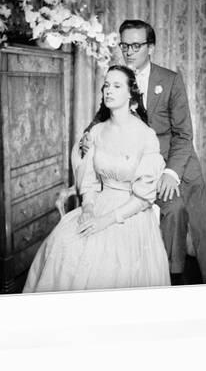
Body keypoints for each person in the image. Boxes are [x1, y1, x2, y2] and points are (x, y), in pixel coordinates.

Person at [82, 20, 206, 284]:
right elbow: (105, 114)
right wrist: (88, 132)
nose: (129, 51)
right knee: (173, 210)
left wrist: (171, 172)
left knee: (200, 225)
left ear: (151, 47)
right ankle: (168, 275)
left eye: (136, 45)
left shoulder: (170, 80)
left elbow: (184, 134)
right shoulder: (119, 78)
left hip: (177, 161)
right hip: (141, 165)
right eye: (124, 44)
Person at [23, 65, 170, 293]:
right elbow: (89, 181)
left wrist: (105, 220)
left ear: (131, 93)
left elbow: (144, 197)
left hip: (131, 211)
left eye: (117, 86)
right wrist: (89, 208)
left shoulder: (146, 136)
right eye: (106, 85)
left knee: (112, 264)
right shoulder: (97, 132)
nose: (108, 91)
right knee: (63, 244)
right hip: (99, 202)